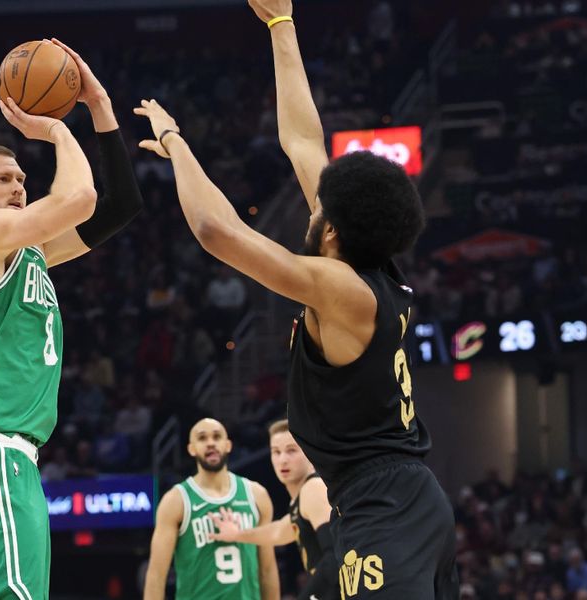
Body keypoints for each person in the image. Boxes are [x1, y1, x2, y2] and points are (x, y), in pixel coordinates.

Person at [133, 0, 458, 596]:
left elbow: (218, 233)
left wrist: (176, 143)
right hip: (396, 498)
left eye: (320, 206)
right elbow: (304, 141)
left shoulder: (342, 289)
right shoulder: (368, 267)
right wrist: (281, 24)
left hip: (383, 502)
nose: (313, 203)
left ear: (331, 228)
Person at [0, 38, 142, 600]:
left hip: (7, 460)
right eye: (6, 179)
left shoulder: (31, 251)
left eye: (23, 181)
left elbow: (120, 206)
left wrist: (98, 105)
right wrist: (54, 129)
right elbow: (78, 198)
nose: (20, 187)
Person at [143, 418, 279, 599]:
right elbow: (156, 575)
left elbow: (267, 570)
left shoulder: (256, 494)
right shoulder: (176, 500)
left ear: (228, 445)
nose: (211, 443)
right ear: (191, 449)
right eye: (202, 438)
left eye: (217, 437)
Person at [211, 419, 338, 599]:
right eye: (276, 452)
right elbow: (278, 531)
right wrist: (237, 534)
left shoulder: (313, 489)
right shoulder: (301, 499)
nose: (282, 459)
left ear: (309, 453)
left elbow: (335, 557)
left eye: (291, 450)